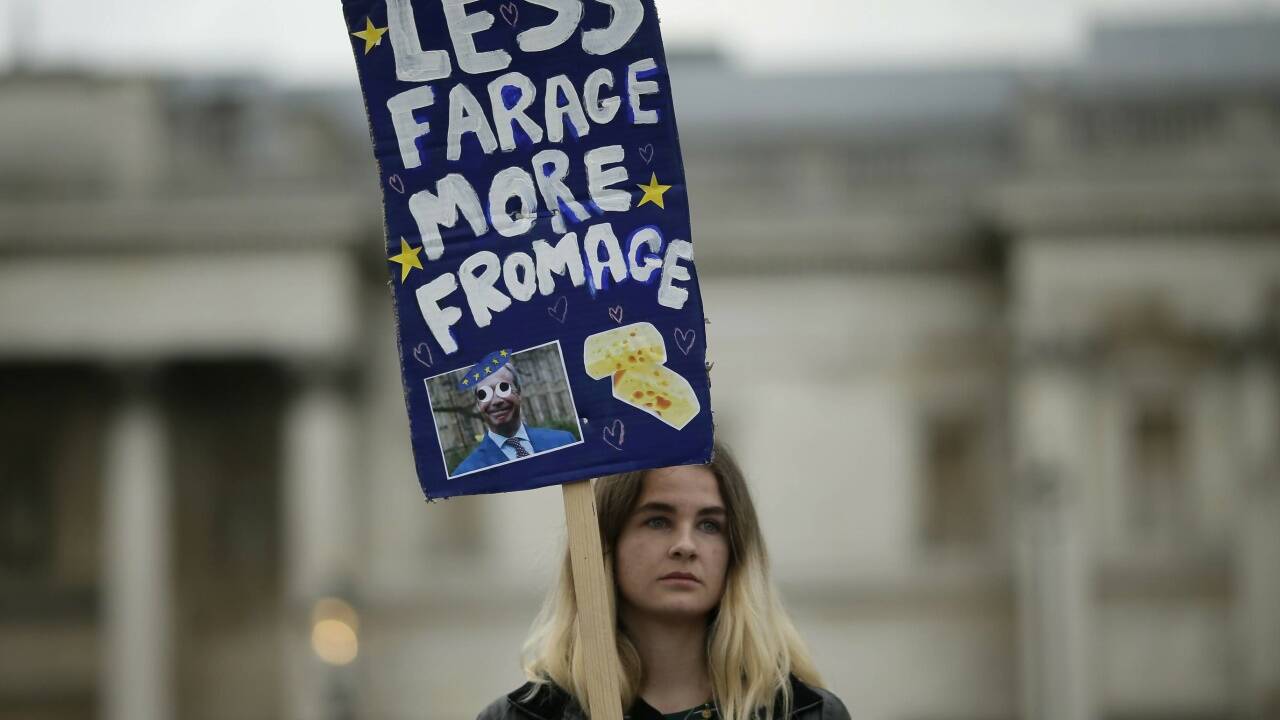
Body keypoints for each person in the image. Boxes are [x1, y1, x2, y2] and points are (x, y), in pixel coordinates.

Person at [477, 441, 851, 720]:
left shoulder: (806, 714)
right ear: (607, 543)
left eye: (709, 525)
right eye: (658, 520)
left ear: (734, 554)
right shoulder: (521, 717)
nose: (685, 545)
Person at [452, 350, 577, 476]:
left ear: (519, 393)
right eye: (484, 394)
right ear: (478, 404)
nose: (496, 401)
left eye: (503, 388)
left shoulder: (564, 441)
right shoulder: (466, 472)